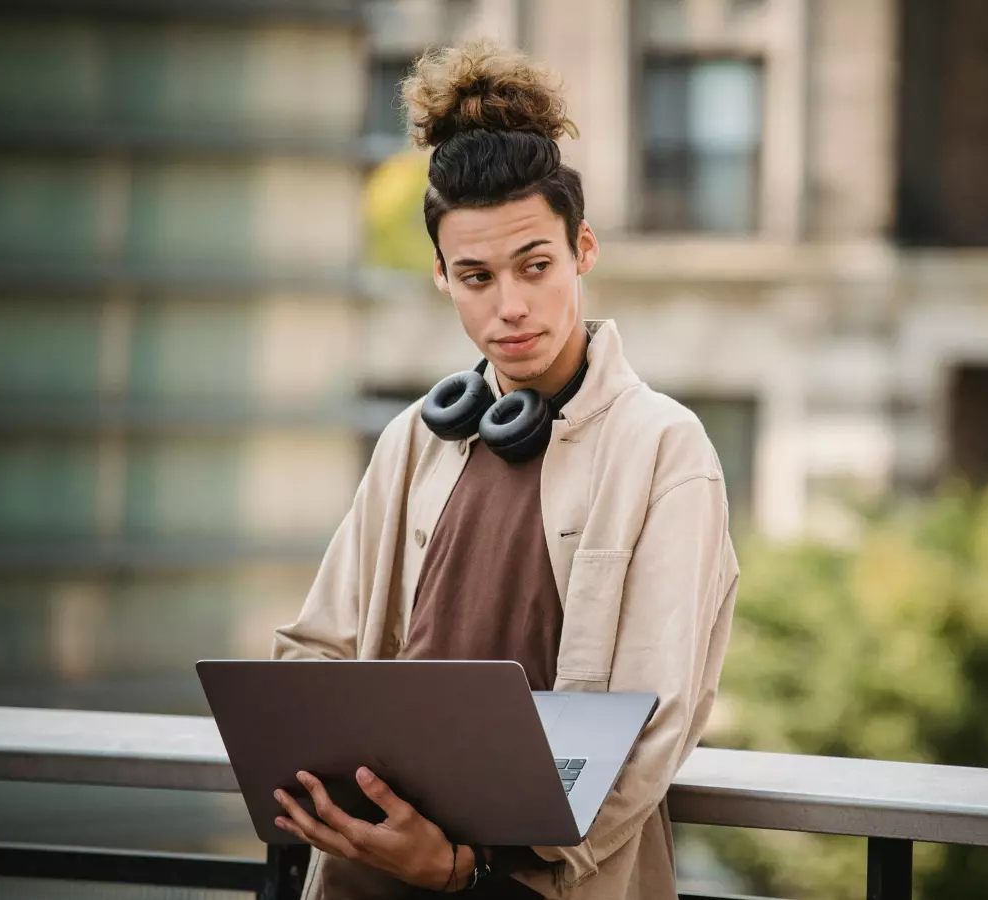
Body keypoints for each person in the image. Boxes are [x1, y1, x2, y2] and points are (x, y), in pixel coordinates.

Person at [269, 38, 739, 899]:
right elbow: (318, 649)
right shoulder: (415, 437)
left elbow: (653, 727)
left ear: (583, 250)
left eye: (535, 266)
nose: (511, 306)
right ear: (442, 277)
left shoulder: (665, 449)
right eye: (477, 277)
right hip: (366, 877)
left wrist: (467, 872)